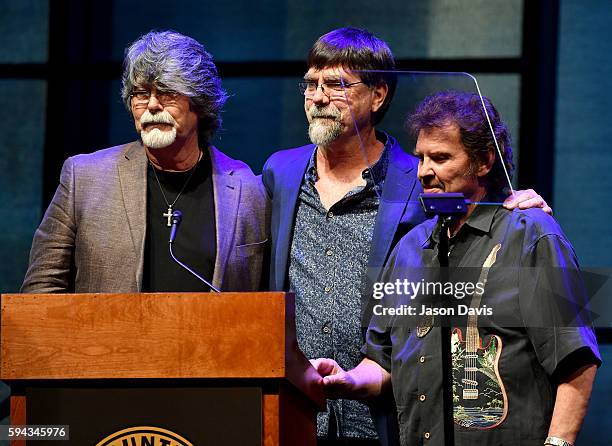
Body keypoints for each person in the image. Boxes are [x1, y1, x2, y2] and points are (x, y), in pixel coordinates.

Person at [262, 27, 550, 445]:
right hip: (297, 411)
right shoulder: (279, 174)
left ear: (378, 95)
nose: (318, 97)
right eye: (311, 84)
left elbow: (481, 215)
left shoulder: (421, 177)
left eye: (336, 84)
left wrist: (518, 198)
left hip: (389, 413)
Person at [312, 91, 600, 446]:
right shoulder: (409, 249)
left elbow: (575, 359)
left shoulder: (531, 236)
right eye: (420, 158)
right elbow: (383, 362)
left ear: (483, 161)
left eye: (440, 158)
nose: (424, 172)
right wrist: (349, 381)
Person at [21, 30, 268, 293]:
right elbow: (41, 290)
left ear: (200, 103)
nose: (151, 105)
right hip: (109, 335)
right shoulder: (83, 178)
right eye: (140, 94)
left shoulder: (248, 188)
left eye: (166, 93)